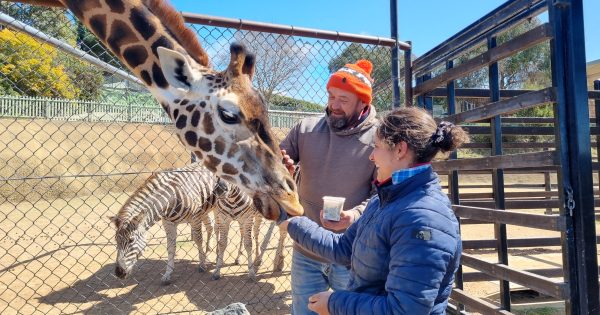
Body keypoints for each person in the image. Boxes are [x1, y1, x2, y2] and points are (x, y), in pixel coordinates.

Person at [280, 107, 469, 314]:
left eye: (376, 147)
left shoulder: (423, 219)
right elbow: (342, 248)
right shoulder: (386, 199)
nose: (371, 156)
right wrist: (292, 222)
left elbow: (404, 310)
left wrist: (335, 304)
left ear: (400, 150)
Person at [279, 60, 379, 314]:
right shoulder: (305, 128)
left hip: (352, 254)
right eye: (331, 96)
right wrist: (284, 171)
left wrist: (354, 215)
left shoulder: (380, 139)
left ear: (363, 103)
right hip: (307, 249)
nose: (333, 105)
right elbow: (274, 168)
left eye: (343, 100)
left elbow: (383, 194)